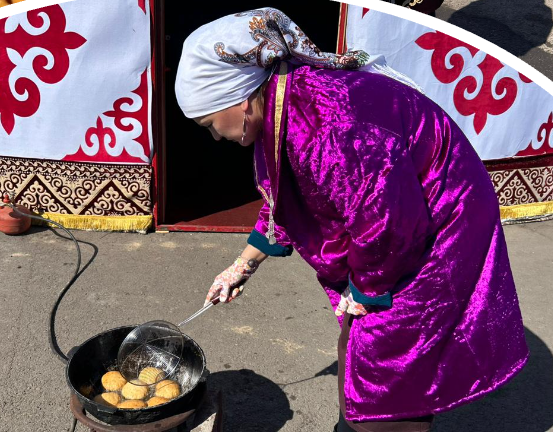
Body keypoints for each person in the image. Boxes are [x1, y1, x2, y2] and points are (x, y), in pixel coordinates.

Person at [175, 8, 529, 432]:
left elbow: (386, 223)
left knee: (392, 358)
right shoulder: (282, 104)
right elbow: (287, 195)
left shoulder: (328, 125)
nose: (215, 136)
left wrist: (366, 290)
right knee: (359, 340)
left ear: (239, 99)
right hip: (399, 220)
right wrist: (242, 265)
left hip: (440, 220)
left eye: (210, 124)